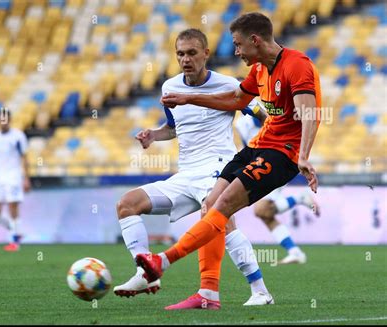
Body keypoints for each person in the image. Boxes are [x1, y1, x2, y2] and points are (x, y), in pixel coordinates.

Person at [136, 12, 321, 287]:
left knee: (223, 206)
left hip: (282, 152)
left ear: (255, 40)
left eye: (238, 44)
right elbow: (236, 99)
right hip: (258, 146)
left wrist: (304, 156)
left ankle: (162, 261)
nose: (236, 51)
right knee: (211, 204)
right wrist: (189, 98)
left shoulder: (297, 65)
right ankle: (209, 294)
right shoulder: (259, 70)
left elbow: (310, 114)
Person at [114, 28, 274, 308]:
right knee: (127, 204)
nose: (185, 59)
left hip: (218, 168)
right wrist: (153, 134)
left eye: (191, 53)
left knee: (218, 219)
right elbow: (174, 128)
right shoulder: (169, 87)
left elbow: (265, 116)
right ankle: (145, 273)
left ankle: (259, 290)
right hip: (186, 174)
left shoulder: (230, 85)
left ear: (206, 54)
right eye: (180, 54)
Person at [235, 112, 320, 264]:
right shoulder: (241, 123)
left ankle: (300, 198)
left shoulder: (269, 113)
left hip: (277, 161)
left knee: (261, 210)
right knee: (265, 214)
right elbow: (247, 146)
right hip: (258, 165)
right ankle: (295, 252)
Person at [0, 109, 31, 251]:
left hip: (14, 176)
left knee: (12, 207)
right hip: (0, 177)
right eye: (0, 119)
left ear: (9, 120)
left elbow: (24, 158)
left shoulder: (18, 136)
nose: (3, 122)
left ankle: (15, 241)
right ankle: (15, 229)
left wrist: (26, 178)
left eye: (5, 119)